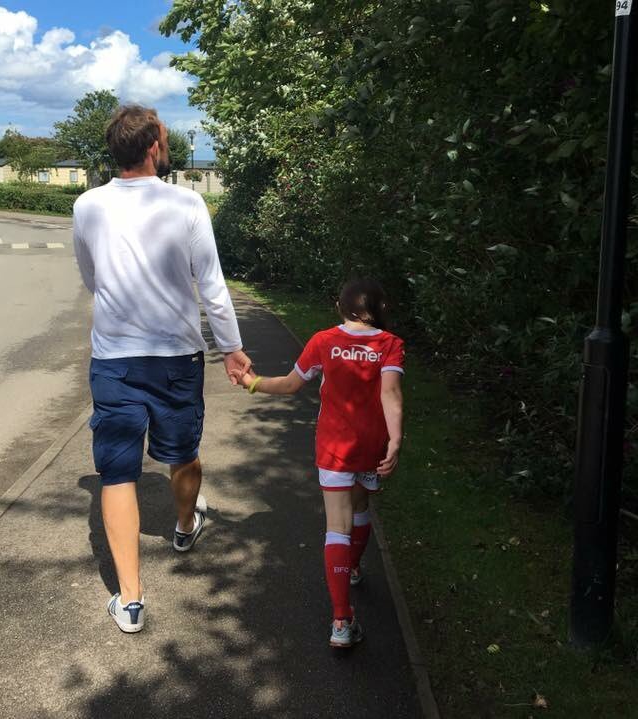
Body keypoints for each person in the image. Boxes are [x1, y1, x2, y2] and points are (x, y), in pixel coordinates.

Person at [72, 105, 251, 634]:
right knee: (182, 453)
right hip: (176, 357)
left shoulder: (87, 206)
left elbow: (91, 276)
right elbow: (212, 287)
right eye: (165, 139)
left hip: (114, 359)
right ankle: (181, 525)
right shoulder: (187, 203)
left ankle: (130, 600)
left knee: (117, 471)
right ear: (153, 146)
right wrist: (233, 349)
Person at [235, 278, 404, 648]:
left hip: (334, 446)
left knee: (336, 525)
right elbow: (390, 392)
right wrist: (395, 439)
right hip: (371, 445)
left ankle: (342, 621)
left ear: (340, 307)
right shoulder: (389, 344)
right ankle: (355, 569)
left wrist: (252, 383)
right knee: (360, 508)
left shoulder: (325, 341)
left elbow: (291, 385)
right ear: (378, 309)